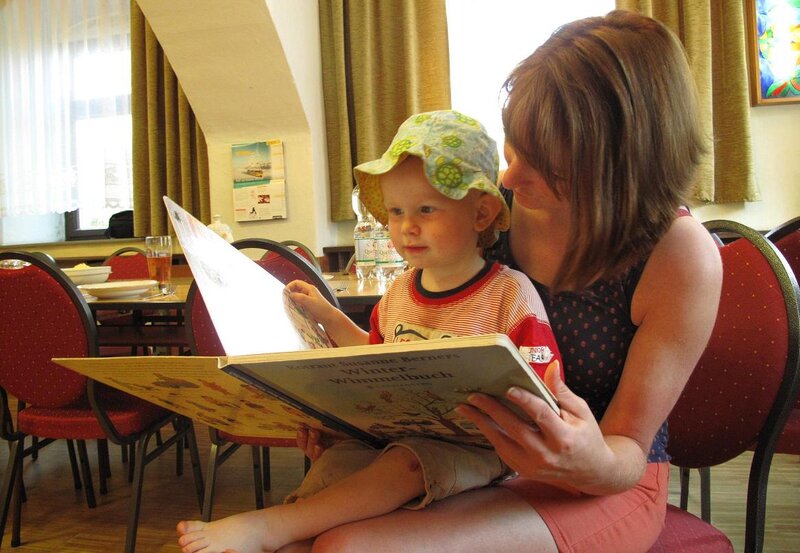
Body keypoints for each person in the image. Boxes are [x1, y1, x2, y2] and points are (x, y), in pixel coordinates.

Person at [176, 109, 564, 553]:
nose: (406, 226)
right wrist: (329, 319)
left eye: (426, 209)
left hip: (481, 453)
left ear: (481, 213)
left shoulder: (510, 294)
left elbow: (543, 390)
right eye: (396, 211)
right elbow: (375, 357)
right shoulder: (399, 291)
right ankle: (286, 538)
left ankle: (273, 526)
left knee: (406, 463)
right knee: (338, 461)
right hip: (395, 437)